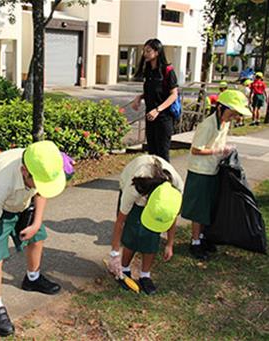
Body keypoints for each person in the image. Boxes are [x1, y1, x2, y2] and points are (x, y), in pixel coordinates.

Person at [0, 140, 66, 337]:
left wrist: (36, 223)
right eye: (37, 180)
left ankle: (32, 278)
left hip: (21, 203)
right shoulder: (2, 180)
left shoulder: (41, 162)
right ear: (24, 171)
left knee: (37, 238)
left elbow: (41, 190)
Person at [181, 90, 252, 260]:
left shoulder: (224, 122)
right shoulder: (207, 125)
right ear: (220, 108)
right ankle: (195, 242)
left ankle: (203, 237)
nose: (233, 117)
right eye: (232, 112)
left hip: (213, 169)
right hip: (200, 171)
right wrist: (218, 151)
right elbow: (196, 149)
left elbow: (221, 141)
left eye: (236, 114)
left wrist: (224, 150)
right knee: (199, 209)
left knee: (209, 207)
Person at [107, 155, 183, 295]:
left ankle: (145, 275)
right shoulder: (134, 189)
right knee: (132, 231)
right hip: (136, 185)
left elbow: (171, 217)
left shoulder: (176, 190)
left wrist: (169, 244)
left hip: (157, 194)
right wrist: (114, 253)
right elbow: (120, 222)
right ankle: (124, 269)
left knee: (152, 236)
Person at [132, 38, 179, 162]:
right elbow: (152, 91)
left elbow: (173, 95)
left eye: (148, 51)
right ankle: (154, 179)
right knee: (152, 152)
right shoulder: (149, 70)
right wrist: (139, 97)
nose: (145, 54)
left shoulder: (168, 71)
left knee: (162, 153)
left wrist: (158, 110)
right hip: (150, 117)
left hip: (164, 117)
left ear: (157, 52)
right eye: (144, 51)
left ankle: (166, 179)